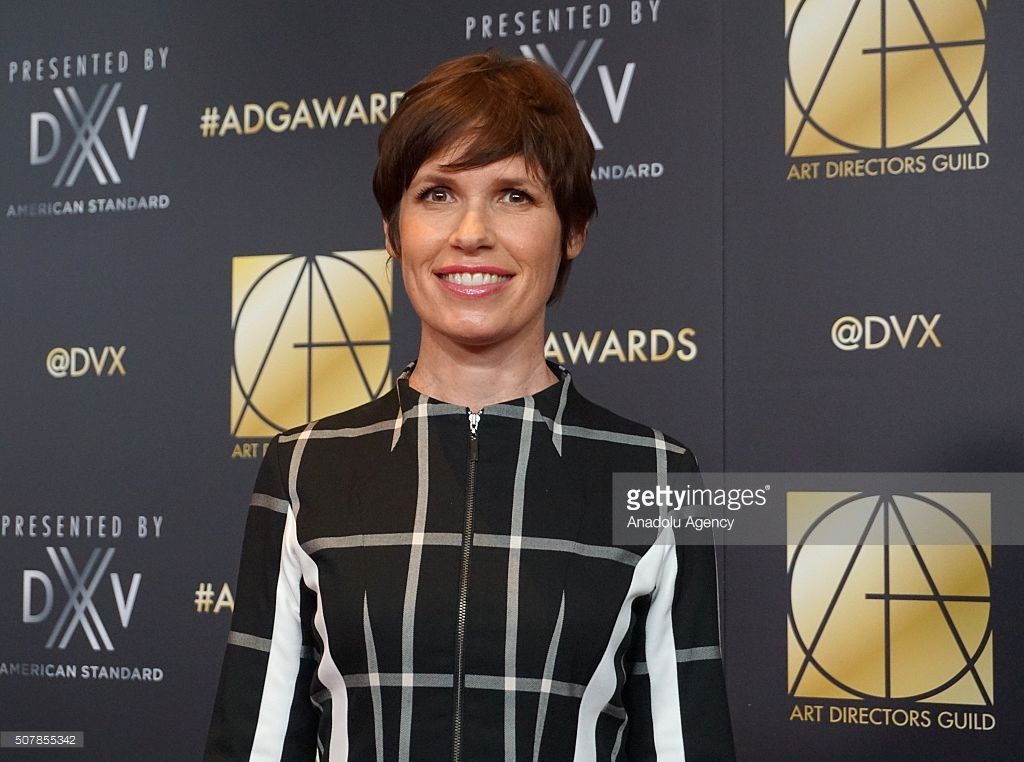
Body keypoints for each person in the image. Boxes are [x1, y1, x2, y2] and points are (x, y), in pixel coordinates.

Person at [205, 50, 734, 761]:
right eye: (437, 194)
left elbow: (685, 742)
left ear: (573, 230)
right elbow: (255, 744)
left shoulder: (661, 477)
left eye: (514, 195)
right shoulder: (303, 467)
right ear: (392, 232)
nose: (471, 233)